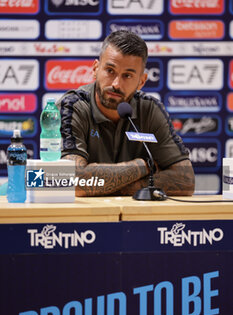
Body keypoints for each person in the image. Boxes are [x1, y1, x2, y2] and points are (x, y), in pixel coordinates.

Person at [57, 30, 195, 197]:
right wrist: (144, 166)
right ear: (95, 69)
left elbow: (186, 181)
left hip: (136, 218)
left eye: (127, 75)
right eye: (110, 71)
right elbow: (73, 181)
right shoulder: (72, 106)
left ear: (141, 81)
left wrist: (106, 186)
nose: (116, 84)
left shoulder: (150, 109)